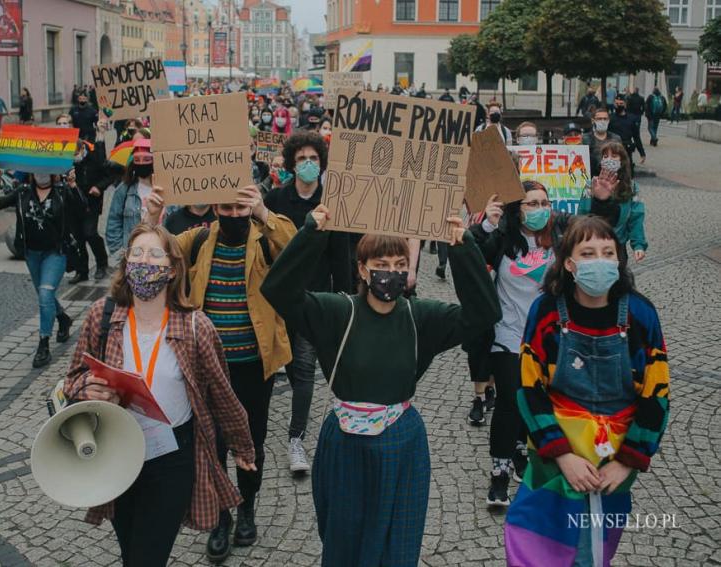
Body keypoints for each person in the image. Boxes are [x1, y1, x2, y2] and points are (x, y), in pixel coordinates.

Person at [260, 204, 500, 566]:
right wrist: (312, 232)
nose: (392, 273)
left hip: (402, 442)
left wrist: (463, 244)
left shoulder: (421, 317)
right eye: (382, 265)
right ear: (362, 268)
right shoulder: (337, 312)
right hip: (344, 442)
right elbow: (278, 290)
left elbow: (483, 313)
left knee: (398, 542)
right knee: (343, 538)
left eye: (400, 266)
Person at [63, 223, 256, 567]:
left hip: (172, 458)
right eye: (136, 253)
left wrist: (242, 445)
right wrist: (84, 389)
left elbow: (222, 394)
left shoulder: (196, 326)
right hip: (117, 451)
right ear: (126, 265)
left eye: (154, 254)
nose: (144, 261)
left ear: (171, 270)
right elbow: (74, 377)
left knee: (147, 559)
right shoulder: (102, 317)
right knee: (131, 551)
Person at [142, 183, 296, 563]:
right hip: (207, 368)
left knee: (252, 442)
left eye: (240, 208)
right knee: (212, 447)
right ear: (215, 206)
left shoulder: (265, 236)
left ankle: (247, 508)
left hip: (252, 366)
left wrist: (262, 212)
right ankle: (221, 519)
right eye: (226, 208)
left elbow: (297, 251)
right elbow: (152, 257)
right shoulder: (197, 240)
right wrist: (151, 218)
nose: (233, 215)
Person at [505, 215, 670, 567]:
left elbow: (656, 395)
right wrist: (563, 455)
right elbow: (529, 388)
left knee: (590, 554)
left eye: (608, 252)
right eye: (588, 252)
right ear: (569, 263)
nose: (599, 261)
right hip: (555, 460)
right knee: (533, 545)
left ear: (618, 260)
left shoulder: (641, 314)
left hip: (611, 464)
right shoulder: (546, 311)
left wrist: (627, 462)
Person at [470, 182, 570, 507]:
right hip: (508, 334)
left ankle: (519, 449)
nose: (539, 209)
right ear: (518, 208)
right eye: (531, 203)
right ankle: (498, 473)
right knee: (511, 401)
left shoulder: (560, 241)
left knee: (535, 400)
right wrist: (486, 223)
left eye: (544, 203)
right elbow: (471, 251)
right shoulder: (503, 239)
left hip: (546, 338)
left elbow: (600, 239)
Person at [263, 131, 351, 474]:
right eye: (301, 159)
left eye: (314, 159)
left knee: (303, 371)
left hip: (312, 301)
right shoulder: (275, 200)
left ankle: (295, 438)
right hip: (275, 301)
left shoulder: (333, 201)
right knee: (274, 368)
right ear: (291, 164)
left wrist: (344, 299)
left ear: (322, 163)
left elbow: (341, 255)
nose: (308, 164)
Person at [0, 169, 74, 367]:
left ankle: (43, 344)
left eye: (45, 171)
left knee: (46, 294)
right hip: (32, 253)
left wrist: (73, 186)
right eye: (37, 171)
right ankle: (63, 318)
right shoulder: (22, 192)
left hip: (55, 252)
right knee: (43, 295)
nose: (41, 174)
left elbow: (81, 210)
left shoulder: (62, 192)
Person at [578, 141, 647, 264]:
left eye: (614, 156)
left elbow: (636, 218)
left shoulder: (632, 188)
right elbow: (582, 214)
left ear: (622, 160)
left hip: (618, 246)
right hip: (592, 245)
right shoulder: (591, 185)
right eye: (605, 156)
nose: (609, 159)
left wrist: (638, 245)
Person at [65, 132, 112, 283]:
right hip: (73, 204)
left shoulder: (94, 156)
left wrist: (99, 187)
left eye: (75, 154)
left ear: (81, 149)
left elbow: (109, 175)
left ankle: (101, 264)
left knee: (90, 233)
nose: (74, 157)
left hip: (91, 203)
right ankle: (82, 271)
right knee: (78, 237)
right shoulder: (65, 161)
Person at [106, 139, 154, 255]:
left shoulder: (167, 189)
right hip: (133, 253)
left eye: (146, 160)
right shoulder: (124, 189)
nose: (142, 164)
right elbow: (113, 221)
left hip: (160, 252)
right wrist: (119, 252)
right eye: (137, 160)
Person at [608, 96, 646, 174]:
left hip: (627, 149)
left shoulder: (631, 118)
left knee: (628, 173)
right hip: (613, 149)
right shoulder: (610, 118)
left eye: (621, 103)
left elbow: (636, 136)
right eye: (617, 103)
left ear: (625, 104)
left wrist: (642, 153)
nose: (618, 105)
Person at [582, 107, 622, 177]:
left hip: (611, 176)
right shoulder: (585, 138)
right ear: (593, 120)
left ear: (608, 120)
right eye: (599, 119)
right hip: (591, 176)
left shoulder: (616, 138)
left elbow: (622, 158)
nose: (602, 121)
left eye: (605, 119)